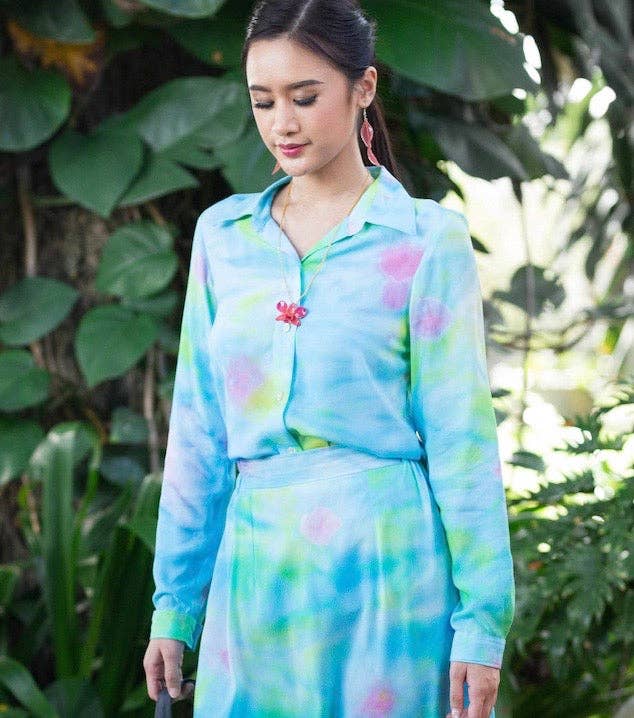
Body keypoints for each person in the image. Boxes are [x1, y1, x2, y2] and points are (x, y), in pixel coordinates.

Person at [143, 0, 515, 716]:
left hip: (388, 575)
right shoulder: (224, 237)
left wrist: (482, 624)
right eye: (264, 101)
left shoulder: (425, 240)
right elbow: (198, 434)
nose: (282, 122)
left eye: (305, 97)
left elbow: (462, 440)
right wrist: (174, 608)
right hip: (256, 578)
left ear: (363, 87)